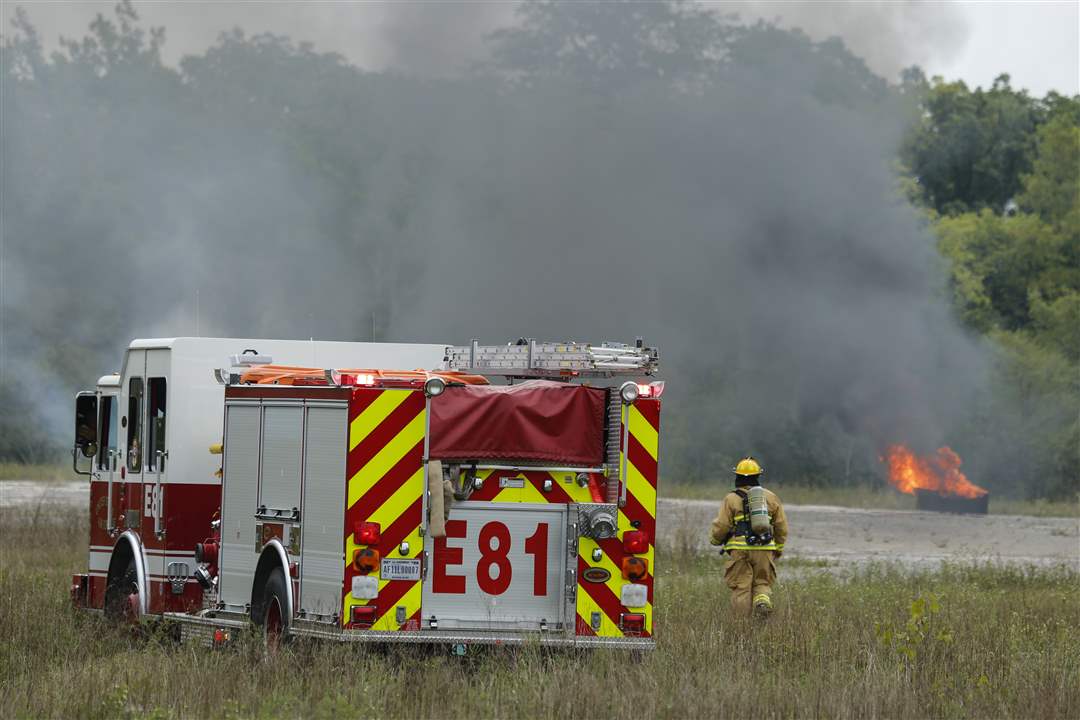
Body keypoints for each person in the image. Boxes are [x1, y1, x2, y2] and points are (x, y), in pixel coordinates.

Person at [710, 457, 788, 617]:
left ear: (737, 477)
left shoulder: (731, 499)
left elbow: (722, 525)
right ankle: (762, 603)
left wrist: (715, 540)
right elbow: (781, 527)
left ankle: (741, 624)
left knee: (741, 586)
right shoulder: (771, 497)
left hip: (740, 550)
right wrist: (778, 548)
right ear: (758, 476)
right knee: (762, 582)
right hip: (764, 548)